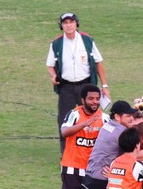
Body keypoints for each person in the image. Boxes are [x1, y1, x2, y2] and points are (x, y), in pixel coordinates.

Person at [46, 12, 110, 155]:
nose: (68, 25)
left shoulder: (87, 40)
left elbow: (98, 63)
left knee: (90, 116)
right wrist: (54, 76)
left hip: (85, 85)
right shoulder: (56, 43)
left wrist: (104, 86)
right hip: (66, 87)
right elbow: (50, 64)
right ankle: (66, 153)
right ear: (61, 26)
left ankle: (92, 151)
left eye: (71, 22)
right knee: (64, 119)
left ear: (76, 24)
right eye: (65, 23)